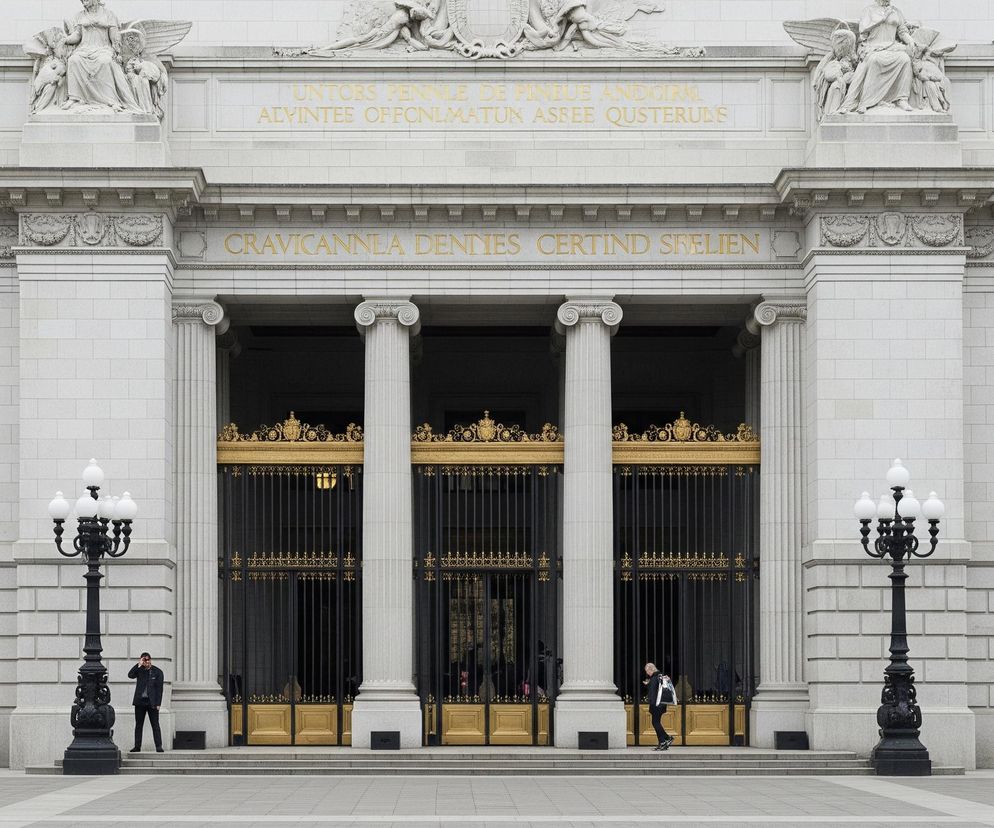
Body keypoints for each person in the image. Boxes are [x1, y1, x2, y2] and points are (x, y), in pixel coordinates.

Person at [61, 0, 141, 113]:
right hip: (84, 48)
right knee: (74, 60)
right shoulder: (80, 15)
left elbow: (114, 36)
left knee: (105, 61)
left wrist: (117, 51)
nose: (83, 1)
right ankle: (74, 98)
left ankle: (111, 100)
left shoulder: (109, 14)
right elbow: (77, 35)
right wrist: (66, 40)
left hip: (103, 48)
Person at [840, 0, 918, 114]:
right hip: (874, 46)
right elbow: (863, 29)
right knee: (874, 60)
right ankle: (866, 102)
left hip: (892, 46)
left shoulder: (896, 11)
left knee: (905, 59)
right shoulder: (869, 10)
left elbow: (901, 31)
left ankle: (902, 99)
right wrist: (883, 17)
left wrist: (910, 40)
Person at [128, 652, 164, 753]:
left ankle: (159, 746)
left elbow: (160, 689)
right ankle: (137, 746)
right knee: (139, 725)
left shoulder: (157, 672)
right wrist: (138, 665)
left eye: (148, 660)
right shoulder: (140, 670)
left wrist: (158, 704)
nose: (146, 662)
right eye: (144, 660)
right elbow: (130, 675)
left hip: (152, 702)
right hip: (140, 702)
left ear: (151, 660)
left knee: (155, 725)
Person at [644, 662, 674, 751]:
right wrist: (648, 683)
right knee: (656, 722)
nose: (647, 673)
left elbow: (653, 692)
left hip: (656, 704)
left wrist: (652, 704)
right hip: (661, 704)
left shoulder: (654, 678)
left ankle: (666, 739)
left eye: (647, 671)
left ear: (651, 669)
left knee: (655, 722)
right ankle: (663, 742)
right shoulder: (660, 677)